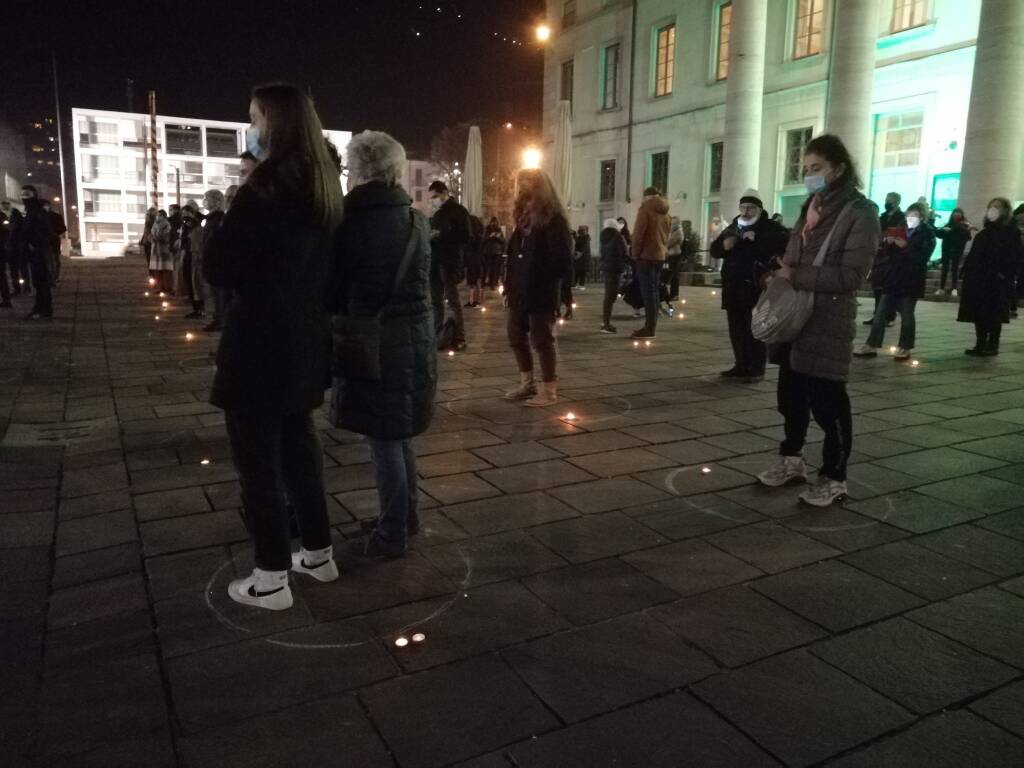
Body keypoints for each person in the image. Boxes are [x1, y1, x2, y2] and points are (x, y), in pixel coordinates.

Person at [203, 82, 344, 611]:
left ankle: (270, 577)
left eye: (254, 118)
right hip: (305, 341)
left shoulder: (264, 190)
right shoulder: (324, 189)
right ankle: (318, 553)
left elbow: (218, 266)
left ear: (274, 123)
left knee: (258, 462)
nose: (251, 129)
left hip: (259, 343)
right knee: (300, 451)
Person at [328, 130, 436, 558]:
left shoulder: (350, 222)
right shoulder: (418, 220)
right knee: (400, 433)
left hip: (375, 340)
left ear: (358, 169)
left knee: (384, 438)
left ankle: (392, 531)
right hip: (416, 336)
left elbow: (335, 289)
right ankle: (405, 517)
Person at [758, 134, 879, 507]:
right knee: (790, 398)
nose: (810, 175)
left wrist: (793, 276)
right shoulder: (811, 206)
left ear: (839, 169)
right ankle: (792, 460)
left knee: (828, 403)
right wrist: (779, 273)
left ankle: (834, 476)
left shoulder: (860, 212)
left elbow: (851, 277)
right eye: (806, 169)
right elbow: (796, 257)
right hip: (795, 318)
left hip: (827, 320)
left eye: (817, 169)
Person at [503, 168, 573, 407]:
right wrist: (509, 286)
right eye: (520, 185)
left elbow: (562, 260)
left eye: (527, 186)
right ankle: (527, 383)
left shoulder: (554, 220)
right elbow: (513, 256)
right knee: (515, 335)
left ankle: (549, 390)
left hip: (541, 290)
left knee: (542, 339)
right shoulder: (521, 219)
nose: (522, 191)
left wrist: (561, 293)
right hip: (519, 290)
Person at [710, 189, 790, 382]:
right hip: (733, 286)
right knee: (736, 327)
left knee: (754, 327)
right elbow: (715, 250)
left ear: (759, 209)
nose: (746, 212)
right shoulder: (733, 226)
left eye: (751, 208)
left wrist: (758, 240)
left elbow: (784, 243)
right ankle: (741, 364)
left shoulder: (769, 227)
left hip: (756, 286)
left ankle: (756, 368)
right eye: (743, 207)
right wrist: (724, 246)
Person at [855, 202, 935, 360]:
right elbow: (891, 255)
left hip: (911, 280)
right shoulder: (902, 230)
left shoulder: (927, 234)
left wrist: (905, 246)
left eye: (915, 216)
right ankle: (871, 345)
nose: (911, 218)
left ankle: (904, 347)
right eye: (909, 215)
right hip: (893, 278)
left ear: (922, 217)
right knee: (880, 314)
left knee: (906, 315)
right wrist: (890, 244)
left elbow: (922, 257)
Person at [958, 198, 1022, 357]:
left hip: (996, 280)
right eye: (990, 207)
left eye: (996, 207)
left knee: (994, 313)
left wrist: (1003, 274)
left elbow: (1014, 257)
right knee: (978, 312)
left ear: (1005, 211)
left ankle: (992, 344)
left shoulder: (1011, 232)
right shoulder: (985, 232)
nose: (992, 210)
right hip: (978, 279)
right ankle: (980, 343)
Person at [428, 180, 471, 351]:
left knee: (453, 300)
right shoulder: (438, 214)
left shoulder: (459, 212)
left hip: (449, 262)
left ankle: (459, 336)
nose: (433, 200)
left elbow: (466, 236)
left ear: (445, 192)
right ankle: (437, 335)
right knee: (436, 301)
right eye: (432, 198)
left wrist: (442, 234)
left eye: (435, 197)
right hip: (435, 262)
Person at [630, 186, 671, 339]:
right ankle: (651, 326)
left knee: (647, 293)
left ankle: (649, 328)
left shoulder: (645, 209)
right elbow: (666, 236)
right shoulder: (666, 213)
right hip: (659, 256)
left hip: (645, 257)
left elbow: (638, 235)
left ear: (647, 197)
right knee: (654, 292)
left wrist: (635, 254)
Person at [12, 186, 56, 320]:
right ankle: (43, 309)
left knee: (40, 281)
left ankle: (42, 309)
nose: (24, 197)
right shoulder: (32, 210)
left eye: (27, 194)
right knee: (39, 282)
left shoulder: (37, 211)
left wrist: (34, 244)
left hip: (38, 252)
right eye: (22, 195)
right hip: (34, 251)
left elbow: (44, 230)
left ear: (34, 195)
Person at [867, 191, 905, 325]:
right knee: (877, 287)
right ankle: (877, 315)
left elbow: (902, 236)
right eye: (886, 200)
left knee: (889, 287)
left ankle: (890, 316)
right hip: (880, 254)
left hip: (893, 256)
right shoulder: (882, 217)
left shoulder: (902, 217)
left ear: (897, 202)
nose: (887, 203)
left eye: (890, 201)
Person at [200, 189, 227, 331]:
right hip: (210, 258)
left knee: (218, 293)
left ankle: (220, 320)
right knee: (215, 293)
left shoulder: (218, 218)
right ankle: (218, 318)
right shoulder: (211, 217)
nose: (204, 201)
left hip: (217, 261)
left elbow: (215, 240)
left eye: (207, 198)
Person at [599, 217, 628, 333]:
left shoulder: (603, 237)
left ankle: (605, 322)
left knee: (608, 296)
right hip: (616, 268)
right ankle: (606, 324)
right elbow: (624, 252)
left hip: (607, 268)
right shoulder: (618, 237)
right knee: (611, 296)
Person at [934, 208, 972, 297]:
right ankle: (941, 288)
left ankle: (954, 288)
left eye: (958, 213)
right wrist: (943, 230)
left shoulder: (964, 225)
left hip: (957, 250)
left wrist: (968, 230)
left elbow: (968, 238)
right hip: (946, 248)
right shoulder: (948, 224)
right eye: (955, 213)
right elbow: (939, 235)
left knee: (954, 269)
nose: (956, 215)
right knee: (945, 269)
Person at [179, 203, 206, 319]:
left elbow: (197, 239)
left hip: (195, 255)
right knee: (188, 281)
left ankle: (201, 309)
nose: (185, 216)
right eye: (183, 213)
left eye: (187, 213)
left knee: (196, 282)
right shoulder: (185, 226)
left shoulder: (197, 225)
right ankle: (196, 308)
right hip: (187, 255)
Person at [0, 199, 20, 308]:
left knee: (2, 275)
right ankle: (6, 298)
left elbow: (7, 231)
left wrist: (4, 244)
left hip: (2, 249)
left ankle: (6, 299)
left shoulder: (2, 216)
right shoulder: (2, 215)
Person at [148, 210, 174, 294]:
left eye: (160, 215)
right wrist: (152, 238)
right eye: (157, 215)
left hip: (164, 250)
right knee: (157, 270)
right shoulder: (154, 224)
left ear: (164, 216)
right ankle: (159, 287)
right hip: (155, 250)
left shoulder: (167, 225)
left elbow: (167, 236)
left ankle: (167, 287)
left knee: (166, 269)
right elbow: (151, 234)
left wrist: (157, 237)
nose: (158, 217)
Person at [463, 213, 484, 308]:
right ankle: (472, 301)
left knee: (475, 281)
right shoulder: (477, 235)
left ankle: (477, 301)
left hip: (474, 260)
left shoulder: (475, 237)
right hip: (474, 259)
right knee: (473, 282)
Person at [481, 216, 505, 289]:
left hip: (496, 252)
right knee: (486, 268)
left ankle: (492, 284)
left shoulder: (499, 229)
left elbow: (503, 240)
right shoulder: (487, 229)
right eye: (493, 222)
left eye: (495, 222)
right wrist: (490, 237)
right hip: (488, 251)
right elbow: (484, 239)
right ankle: (484, 283)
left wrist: (497, 238)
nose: (494, 223)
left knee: (494, 269)